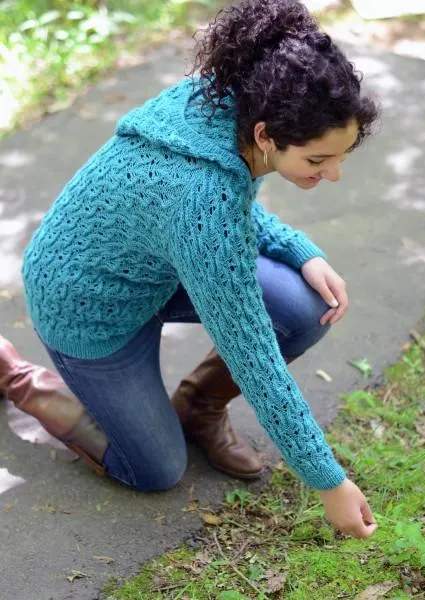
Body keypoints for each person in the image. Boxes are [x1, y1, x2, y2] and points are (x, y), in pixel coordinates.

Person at [3, 0, 380, 539]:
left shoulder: (239, 105)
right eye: (318, 161)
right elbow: (251, 353)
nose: (335, 174)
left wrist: (302, 250)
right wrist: (329, 482)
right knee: (156, 470)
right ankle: (17, 377)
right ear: (267, 135)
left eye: (341, 156)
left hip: (161, 264)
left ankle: (197, 408)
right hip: (87, 307)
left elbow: (230, 210)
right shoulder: (202, 193)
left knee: (305, 307)